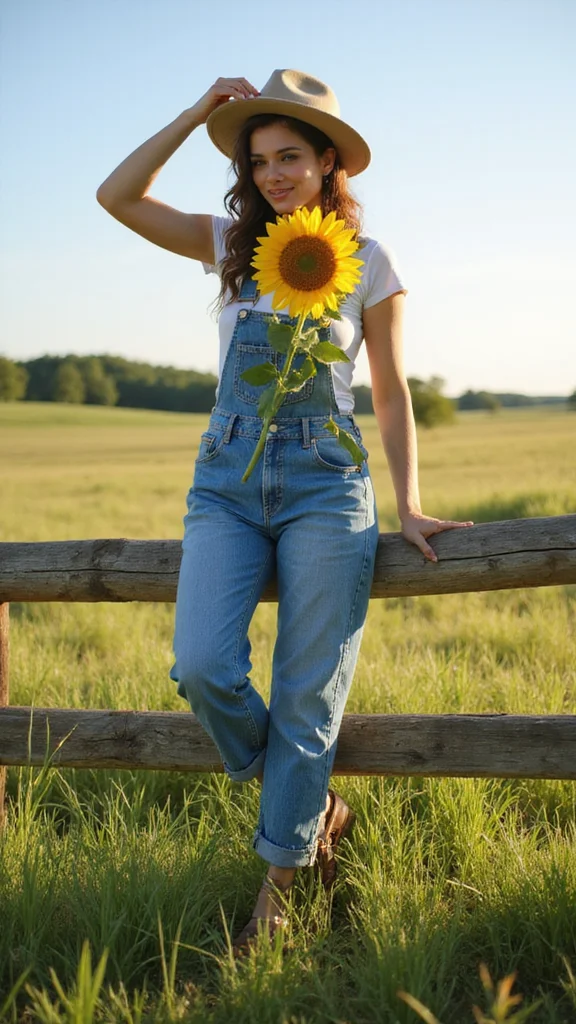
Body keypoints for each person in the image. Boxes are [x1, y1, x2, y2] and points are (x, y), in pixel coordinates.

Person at [96, 69, 474, 954]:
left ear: (328, 160)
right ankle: (313, 806)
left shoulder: (372, 262)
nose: (272, 173)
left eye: (290, 156)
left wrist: (410, 500)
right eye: (258, 158)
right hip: (226, 483)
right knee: (201, 667)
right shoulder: (227, 241)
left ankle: (278, 888)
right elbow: (116, 196)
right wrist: (197, 114)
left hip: (326, 485)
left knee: (309, 698)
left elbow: (388, 391)